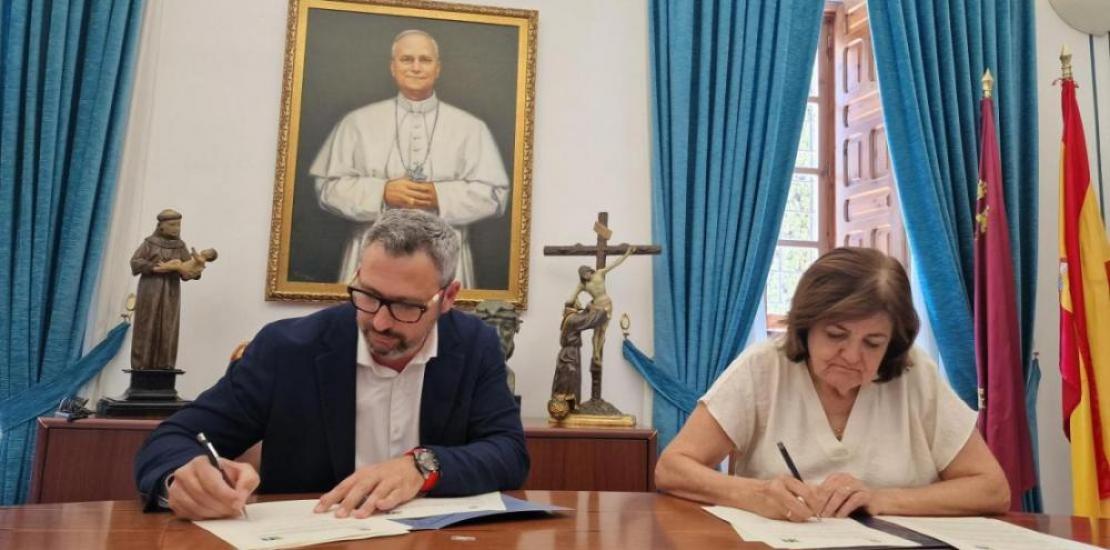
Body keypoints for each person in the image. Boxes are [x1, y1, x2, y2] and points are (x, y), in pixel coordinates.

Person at [134, 209, 529, 520]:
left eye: (406, 306)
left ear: (448, 297)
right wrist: (182, 480)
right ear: (356, 275)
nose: (379, 321)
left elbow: (509, 453)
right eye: (368, 295)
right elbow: (170, 441)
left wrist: (421, 466)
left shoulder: (475, 345)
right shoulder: (285, 349)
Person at [655, 247, 1010, 521]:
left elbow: (991, 489)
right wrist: (753, 493)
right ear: (806, 326)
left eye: (873, 343)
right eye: (836, 334)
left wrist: (881, 498)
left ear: (892, 344)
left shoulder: (916, 375)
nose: (852, 356)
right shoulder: (764, 367)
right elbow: (672, 468)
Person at [310, 29, 510, 288]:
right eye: (407, 59)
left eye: (425, 60)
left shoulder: (471, 127)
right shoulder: (357, 122)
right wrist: (382, 193)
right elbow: (327, 189)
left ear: (438, 68)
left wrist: (440, 196)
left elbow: (495, 195)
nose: (416, 67)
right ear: (393, 67)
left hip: (446, 259)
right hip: (372, 253)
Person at [129, 209, 211, 371]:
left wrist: (196, 267)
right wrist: (154, 268)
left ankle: (164, 365)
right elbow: (135, 263)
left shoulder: (180, 246)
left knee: (168, 326)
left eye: (179, 225)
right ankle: (141, 366)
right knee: (147, 324)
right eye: (172, 225)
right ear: (161, 226)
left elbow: (189, 271)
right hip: (150, 289)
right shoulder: (150, 243)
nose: (176, 229)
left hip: (171, 292)